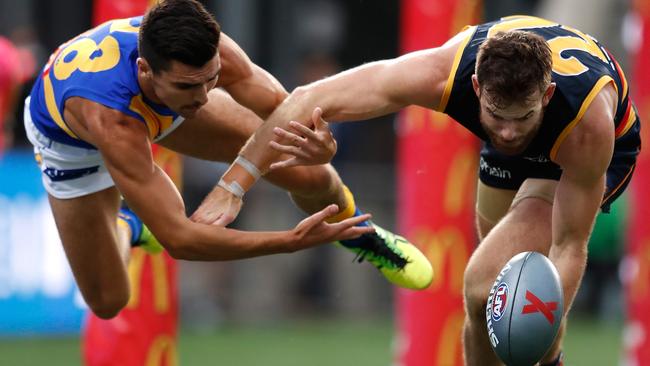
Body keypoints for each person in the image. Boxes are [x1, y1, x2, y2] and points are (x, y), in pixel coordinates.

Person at [222, 15, 641, 366]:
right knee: (488, 300)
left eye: (522, 117)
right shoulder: (443, 72)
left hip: (584, 148)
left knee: (484, 285)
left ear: (546, 95)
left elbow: (568, 246)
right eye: (496, 116)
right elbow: (308, 97)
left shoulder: (587, 127)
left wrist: (537, 332)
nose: (508, 132)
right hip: (532, 126)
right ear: (476, 87)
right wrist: (232, 186)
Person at [24, 0, 433, 319]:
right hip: (70, 144)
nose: (204, 96)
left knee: (308, 170)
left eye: (211, 79)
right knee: (109, 301)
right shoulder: (110, 119)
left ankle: (361, 233)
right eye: (190, 84)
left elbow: (285, 109)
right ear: (146, 70)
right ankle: (128, 225)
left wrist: (322, 144)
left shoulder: (207, 61)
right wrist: (288, 243)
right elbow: (181, 240)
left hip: (163, 108)